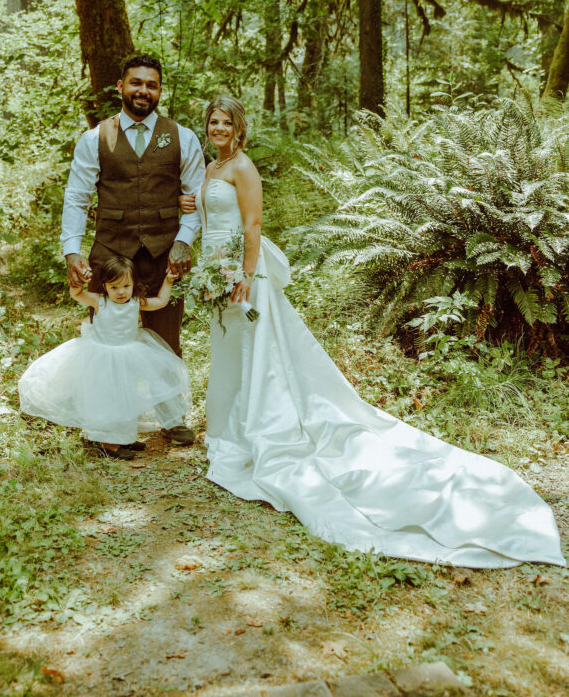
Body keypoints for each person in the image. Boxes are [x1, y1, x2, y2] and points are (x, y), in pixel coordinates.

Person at [179, 97, 565, 568]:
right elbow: (204, 213)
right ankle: (226, 434)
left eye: (226, 122)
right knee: (230, 357)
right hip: (214, 274)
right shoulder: (210, 167)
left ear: (239, 127)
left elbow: (254, 224)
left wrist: (243, 274)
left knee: (258, 358)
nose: (218, 127)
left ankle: (260, 433)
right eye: (213, 122)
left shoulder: (243, 167)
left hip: (241, 277)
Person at [61, 54, 205, 446]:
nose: (144, 90)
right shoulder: (96, 138)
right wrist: (72, 251)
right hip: (110, 253)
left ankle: (172, 417)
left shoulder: (183, 137)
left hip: (164, 253)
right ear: (121, 87)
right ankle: (103, 426)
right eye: (137, 83)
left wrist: (183, 242)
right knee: (106, 344)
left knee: (167, 339)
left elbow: (196, 197)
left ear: (160, 91)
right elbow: (76, 197)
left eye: (152, 84)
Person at [18, 255, 191, 460]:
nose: (121, 292)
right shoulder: (100, 301)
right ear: (105, 286)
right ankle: (108, 444)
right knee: (108, 399)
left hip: (127, 356)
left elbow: (161, 301)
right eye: (114, 287)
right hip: (103, 357)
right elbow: (77, 295)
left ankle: (122, 436)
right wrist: (77, 283)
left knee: (126, 397)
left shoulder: (136, 302)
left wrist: (168, 281)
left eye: (126, 286)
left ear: (134, 284)